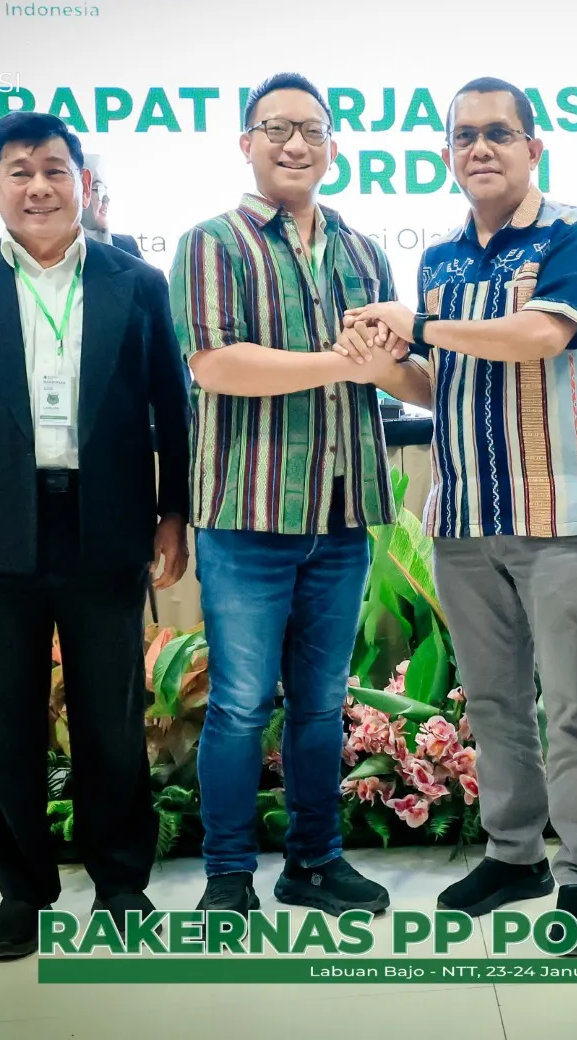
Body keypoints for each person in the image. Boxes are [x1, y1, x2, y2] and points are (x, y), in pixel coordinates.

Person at [0, 111, 190, 961]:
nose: (39, 187)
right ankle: (24, 890)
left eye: (56, 170)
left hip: (106, 525)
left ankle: (120, 883)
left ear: (82, 183)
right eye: (20, 172)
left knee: (112, 719)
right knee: (4, 721)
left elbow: (172, 408)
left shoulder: (138, 281)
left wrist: (173, 512)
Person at [341, 77, 577, 928]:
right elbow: (443, 383)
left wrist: (419, 327)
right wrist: (381, 364)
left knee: (573, 706)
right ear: (447, 156)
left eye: (498, 133)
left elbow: (541, 335)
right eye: (464, 136)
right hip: (464, 516)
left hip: (561, 515)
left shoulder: (576, 232)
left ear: (534, 148)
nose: (480, 148)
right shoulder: (439, 259)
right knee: (494, 703)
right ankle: (513, 857)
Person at [168, 72, 426, 916]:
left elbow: (393, 374)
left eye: (312, 130)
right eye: (276, 128)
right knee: (240, 707)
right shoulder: (211, 244)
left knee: (321, 707)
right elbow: (217, 364)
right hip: (247, 516)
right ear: (246, 143)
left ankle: (314, 863)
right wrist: (339, 362)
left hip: (342, 515)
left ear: (333, 148)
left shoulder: (363, 253)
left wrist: (390, 363)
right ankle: (228, 877)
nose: (295, 144)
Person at [81, 152, 143, 257]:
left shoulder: (127, 246)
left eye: (105, 190)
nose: (106, 199)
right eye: (98, 189)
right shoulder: (56, 252)